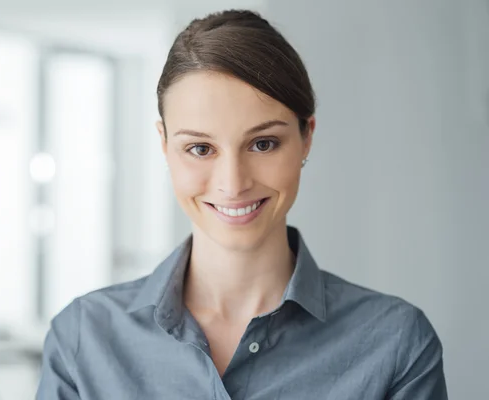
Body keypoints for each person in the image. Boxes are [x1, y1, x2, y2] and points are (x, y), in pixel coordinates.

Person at [37, 9, 448, 400]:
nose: (233, 184)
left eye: (263, 143)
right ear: (164, 145)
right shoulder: (82, 337)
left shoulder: (396, 342)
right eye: (200, 148)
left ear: (306, 137)